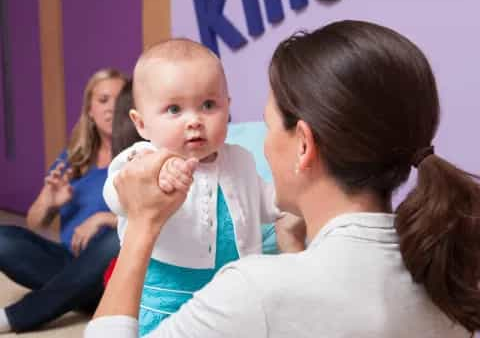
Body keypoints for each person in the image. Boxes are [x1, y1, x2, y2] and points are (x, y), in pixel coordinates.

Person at [86, 20, 480, 337]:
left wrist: (140, 227)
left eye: (268, 125)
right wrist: (292, 246)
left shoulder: (253, 290)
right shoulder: (449, 278)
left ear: (303, 144)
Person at [102, 39, 284, 336]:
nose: (194, 121)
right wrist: (156, 177)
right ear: (141, 123)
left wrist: (293, 199)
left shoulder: (240, 159)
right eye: (174, 109)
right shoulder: (143, 159)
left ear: (228, 108)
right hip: (167, 297)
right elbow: (116, 195)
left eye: (209, 105)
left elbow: (266, 202)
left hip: (232, 293)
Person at [0, 68, 126, 333]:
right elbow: (35, 222)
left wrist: (104, 218)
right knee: (4, 239)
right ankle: (77, 293)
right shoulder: (74, 158)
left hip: (115, 272)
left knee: (114, 241)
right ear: (90, 111)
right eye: (103, 100)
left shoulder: (140, 155)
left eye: (120, 100)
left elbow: (155, 221)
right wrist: (49, 200)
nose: (112, 108)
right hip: (68, 261)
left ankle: (16, 316)